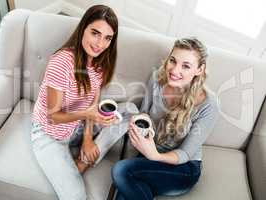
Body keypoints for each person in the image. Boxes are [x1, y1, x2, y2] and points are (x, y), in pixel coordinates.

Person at [30, 5, 138, 200]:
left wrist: (88, 139)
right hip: (50, 134)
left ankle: (83, 160)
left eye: (107, 38)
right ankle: (81, 164)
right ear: (83, 28)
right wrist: (88, 115)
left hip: (77, 126)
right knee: (76, 197)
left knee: (130, 111)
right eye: (95, 33)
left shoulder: (100, 64)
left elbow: (92, 102)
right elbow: (53, 117)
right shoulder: (61, 62)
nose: (100, 44)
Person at [112, 37, 219, 200]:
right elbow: (144, 113)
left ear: (199, 69)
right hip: (150, 153)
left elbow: (185, 153)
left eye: (186, 66)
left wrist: (154, 155)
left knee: (121, 171)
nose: (175, 70)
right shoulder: (156, 78)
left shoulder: (208, 104)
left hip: (183, 168)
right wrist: (138, 123)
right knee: (123, 193)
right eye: (173, 61)